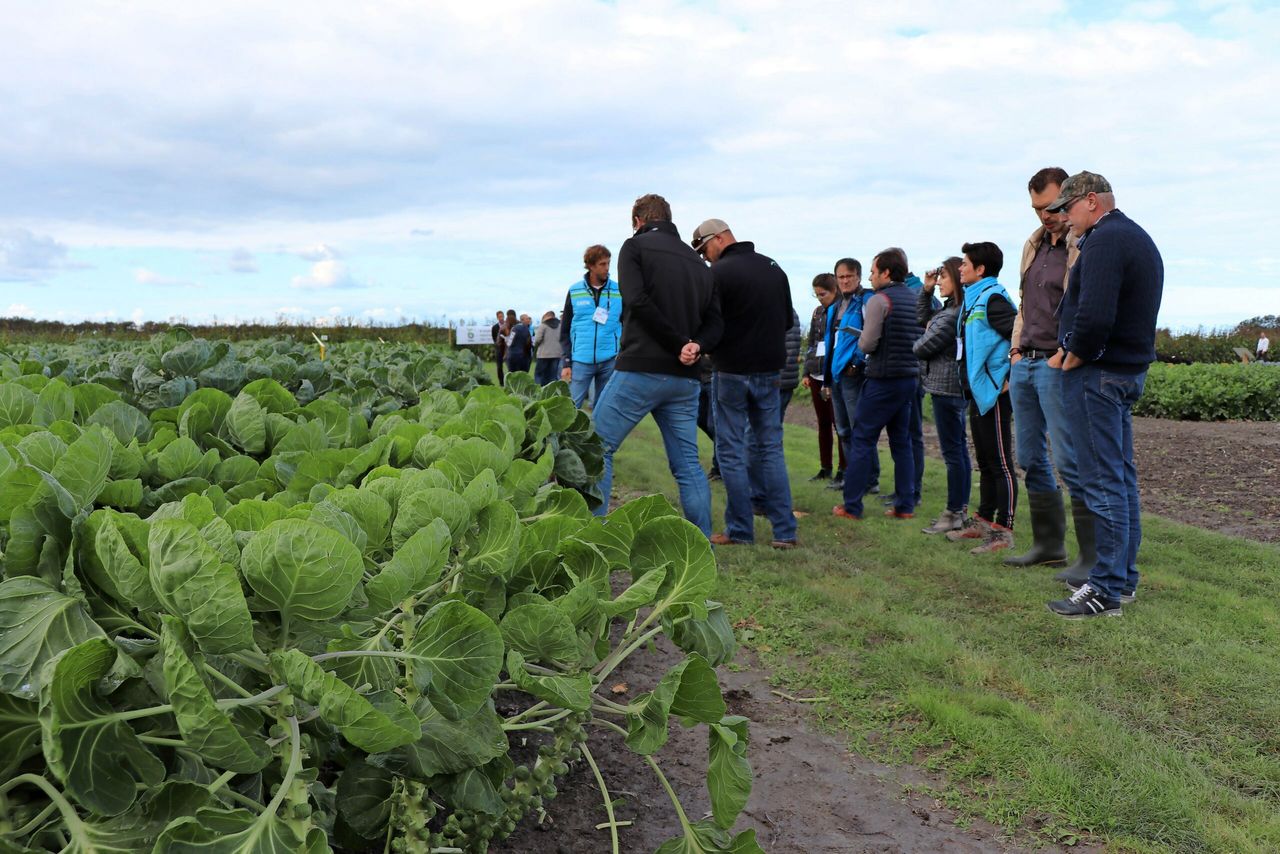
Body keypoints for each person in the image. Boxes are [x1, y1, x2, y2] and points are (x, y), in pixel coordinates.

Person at [1045, 171, 1164, 618]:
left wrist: (1073, 352)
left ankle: (1106, 589)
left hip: (1099, 375)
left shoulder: (1105, 240)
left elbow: (1095, 313)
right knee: (1119, 477)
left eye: (1068, 209)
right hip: (1125, 372)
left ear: (1090, 201)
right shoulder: (1134, 236)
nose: (1065, 220)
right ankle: (1123, 581)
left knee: (1101, 480)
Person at [591, 194, 723, 535]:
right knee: (688, 465)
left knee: (595, 448)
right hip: (684, 378)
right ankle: (701, 545)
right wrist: (695, 345)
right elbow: (716, 323)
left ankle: (591, 538)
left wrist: (678, 343)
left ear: (637, 220)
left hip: (641, 369)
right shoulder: (699, 264)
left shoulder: (634, 248)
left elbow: (636, 300)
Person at [692, 218, 797, 549]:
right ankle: (784, 531)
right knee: (771, 449)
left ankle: (739, 530)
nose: (705, 257)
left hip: (731, 371)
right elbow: (786, 320)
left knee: (731, 452)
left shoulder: (718, 274)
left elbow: (709, 323)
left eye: (705, 248)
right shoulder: (773, 268)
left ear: (720, 238)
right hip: (769, 371)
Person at [1003, 168, 1086, 574]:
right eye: (1036, 209)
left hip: (1059, 363)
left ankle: (1092, 557)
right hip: (1026, 363)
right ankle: (1048, 545)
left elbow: (1084, 304)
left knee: (1070, 459)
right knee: (1029, 456)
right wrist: (1015, 350)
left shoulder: (1082, 245)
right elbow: (1024, 303)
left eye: (1051, 207)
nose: (1045, 216)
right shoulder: (1033, 245)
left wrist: (1064, 353)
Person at [831, 248, 923, 521]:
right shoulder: (912, 297)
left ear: (885, 272)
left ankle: (852, 505)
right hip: (909, 377)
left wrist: (861, 343)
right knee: (901, 442)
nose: (870, 276)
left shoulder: (879, 300)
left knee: (862, 439)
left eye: (872, 271)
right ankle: (905, 504)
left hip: (882, 378)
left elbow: (868, 343)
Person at [951, 242, 1019, 554]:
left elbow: (1019, 333)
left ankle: (1003, 531)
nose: (960, 268)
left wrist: (1007, 378)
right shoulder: (973, 299)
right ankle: (983, 521)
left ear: (980, 269)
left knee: (1001, 462)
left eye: (965, 263)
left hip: (993, 392)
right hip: (976, 391)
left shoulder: (992, 298)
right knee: (985, 460)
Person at [913, 257, 971, 534]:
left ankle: (953, 512)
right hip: (949, 388)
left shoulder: (951, 315)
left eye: (943, 278)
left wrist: (923, 335)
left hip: (946, 389)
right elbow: (922, 319)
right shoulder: (950, 310)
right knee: (958, 451)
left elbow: (922, 347)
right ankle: (959, 510)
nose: (938, 283)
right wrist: (925, 291)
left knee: (953, 453)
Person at [823, 258, 880, 495]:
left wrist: (856, 363)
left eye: (849, 276)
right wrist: (826, 378)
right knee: (843, 430)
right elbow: (829, 343)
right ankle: (853, 475)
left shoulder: (866, 300)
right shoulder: (835, 307)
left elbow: (870, 333)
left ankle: (871, 480)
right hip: (836, 375)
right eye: (841, 277)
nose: (845, 280)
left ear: (858, 277)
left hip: (854, 375)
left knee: (860, 428)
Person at [560, 245, 623, 407]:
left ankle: (598, 433)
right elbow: (565, 329)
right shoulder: (575, 290)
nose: (607, 268)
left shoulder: (619, 290)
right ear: (590, 265)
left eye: (608, 263)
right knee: (572, 407)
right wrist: (567, 361)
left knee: (603, 409)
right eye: (602, 264)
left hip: (610, 359)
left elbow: (627, 322)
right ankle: (570, 433)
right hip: (581, 359)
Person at [802, 274, 845, 481]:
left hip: (835, 375)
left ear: (834, 290)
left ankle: (843, 468)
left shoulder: (843, 310)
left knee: (840, 424)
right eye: (816, 294)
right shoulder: (818, 312)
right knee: (823, 423)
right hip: (816, 373)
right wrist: (806, 372)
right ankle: (825, 467)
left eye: (823, 294)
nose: (820, 298)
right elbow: (811, 342)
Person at [532, 310, 564, 385]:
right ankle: (551, 392)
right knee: (552, 376)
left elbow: (537, 339)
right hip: (556, 354)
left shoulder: (543, 325)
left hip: (543, 354)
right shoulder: (560, 326)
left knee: (539, 375)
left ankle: (539, 391)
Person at [491, 310, 507, 386]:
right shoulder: (494, 327)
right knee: (499, 367)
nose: (501, 318)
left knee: (510, 365)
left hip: (508, 349)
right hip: (499, 349)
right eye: (499, 317)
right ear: (497, 318)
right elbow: (494, 338)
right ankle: (502, 383)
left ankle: (510, 381)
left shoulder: (508, 325)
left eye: (502, 316)